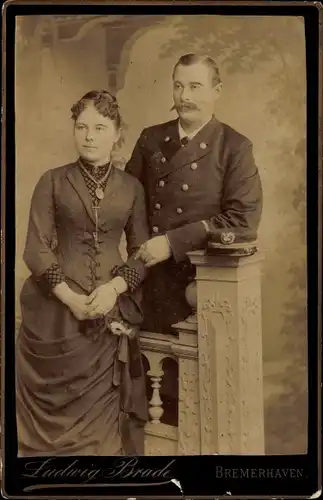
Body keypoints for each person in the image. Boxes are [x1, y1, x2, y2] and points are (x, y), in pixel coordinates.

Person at [16, 90, 149, 456]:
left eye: (100, 128)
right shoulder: (53, 181)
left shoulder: (132, 188)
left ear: (117, 133)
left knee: (102, 443)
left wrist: (114, 290)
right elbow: (35, 248)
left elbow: (141, 253)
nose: (89, 136)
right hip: (57, 310)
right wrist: (71, 299)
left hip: (107, 313)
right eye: (82, 127)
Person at [126, 53, 263, 335]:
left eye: (195, 86)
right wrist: (139, 251)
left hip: (202, 284)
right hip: (147, 279)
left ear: (217, 91)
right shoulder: (150, 138)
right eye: (178, 86)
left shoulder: (234, 147)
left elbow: (243, 221)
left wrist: (171, 243)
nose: (184, 96)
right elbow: (127, 201)